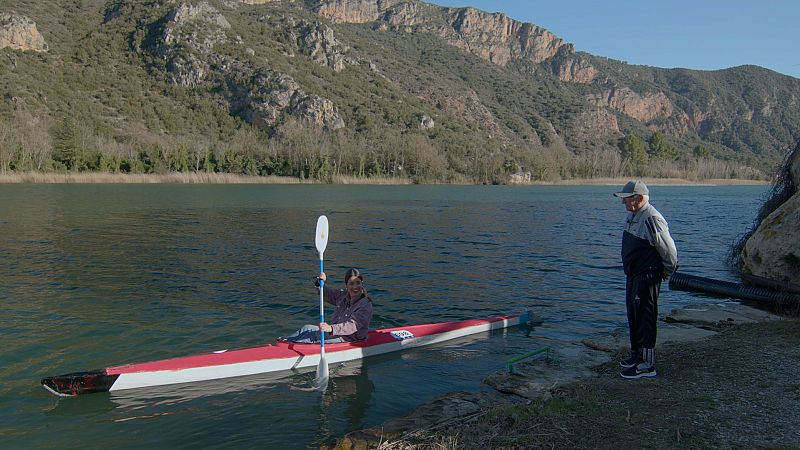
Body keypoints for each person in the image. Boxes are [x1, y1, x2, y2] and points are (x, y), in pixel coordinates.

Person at [613, 180, 678, 379]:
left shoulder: (652, 218)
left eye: (626, 199)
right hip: (633, 275)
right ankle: (636, 355)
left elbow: (669, 251)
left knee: (646, 317)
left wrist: (667, 271)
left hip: (647, 275)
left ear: (639, 198)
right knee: (634, 315)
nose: (623, 203)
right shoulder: (632, 216)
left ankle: (647, 365)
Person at [283, 268, 373, 344]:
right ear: (346, 285)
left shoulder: (365, 305)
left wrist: (331, 328)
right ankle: (283, 343)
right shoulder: (343, 295)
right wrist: (320, 282)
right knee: (306, 328)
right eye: (351, 283)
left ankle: (289, 352)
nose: (355, 286)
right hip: (335, 332)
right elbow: (327, 294)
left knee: (312, 337)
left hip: (349, 339)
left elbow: (352, 326)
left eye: (358, 282)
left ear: (362, 283)